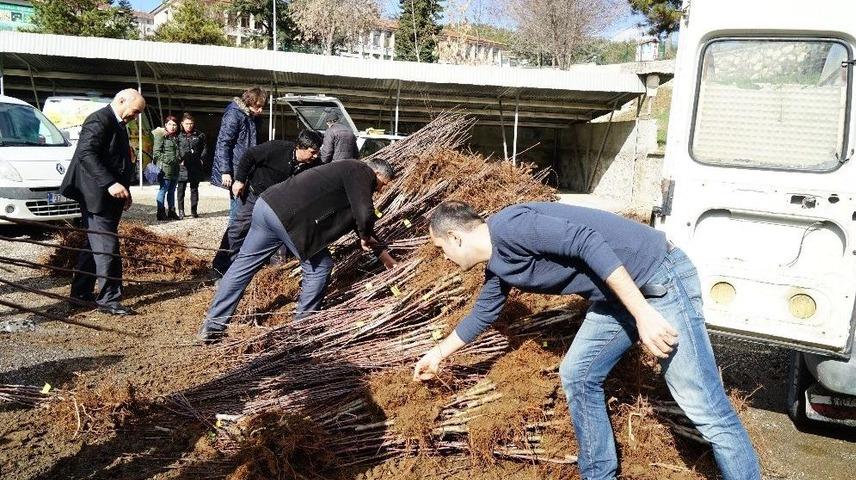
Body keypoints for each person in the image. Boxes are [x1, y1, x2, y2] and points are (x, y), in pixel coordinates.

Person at [413, 201, 761, 480]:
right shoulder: (499, 263)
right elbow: (483, 313)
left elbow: (586, 241)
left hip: (657, 277)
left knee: (700, 400)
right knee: (578, 374)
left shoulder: (513, 227)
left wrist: (642, 314)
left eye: (442, 248)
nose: (445, 257)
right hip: (617, 295)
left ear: (457, 237)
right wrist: (437, 354)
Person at [198, 158, 398, 344]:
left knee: (243, 265)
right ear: (378, 174)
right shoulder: (362, 171)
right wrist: (364, 235)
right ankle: (300, 331)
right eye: (384, 184)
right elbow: (364, 213)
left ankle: (213, 326)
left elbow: (357, 219)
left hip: (267, 206)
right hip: (289, 218)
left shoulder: (346, 171)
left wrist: (384, 256)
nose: (381, 190)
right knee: (320, 268)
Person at [59, 89, 146, 316]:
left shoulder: (117, 123)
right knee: (107, 247)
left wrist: (125, 192)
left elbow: (117, 160)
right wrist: (110, 183)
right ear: (121, 100)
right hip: (96, 195)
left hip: (110, 196)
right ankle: (109, 299)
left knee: (93, 245)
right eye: (135, 111)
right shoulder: (99, 119)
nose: (135, 117)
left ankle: (80, 295)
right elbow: (86, 153)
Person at [211, 130, 324, 274]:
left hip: (281, 204)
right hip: (257, 195)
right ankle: (220, 267)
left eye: (317, 152)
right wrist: (239, 180)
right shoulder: (276, 148)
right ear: (299, 147)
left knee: (280, 234)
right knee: (239, 230)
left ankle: (273, 272)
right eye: (312, 152)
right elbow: (249, 155)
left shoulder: (314, 164)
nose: (315, 156)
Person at [211, 87, 267, 220]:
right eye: (258, 106)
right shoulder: (234, 115)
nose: (260, 110)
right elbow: (223, 143)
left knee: (246, 209)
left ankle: (239, 237)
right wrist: (225, 170)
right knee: (238, 210)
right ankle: (232, 239)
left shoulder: (251, 117)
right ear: (249, 101)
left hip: (247, 167)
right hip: (237, 168)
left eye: (262, 107)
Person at [176, 112, 207, 219]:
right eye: (187, 123)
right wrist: (179, 159)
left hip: (195, 165)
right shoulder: (178, 136)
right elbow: (175, 149)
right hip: (182, 166)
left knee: (194, 189)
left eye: (191, 123)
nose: (189, 126)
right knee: (181, 189)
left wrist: (202, 159)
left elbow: (204, 148)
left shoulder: (199, 135)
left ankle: (194, 211)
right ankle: (181, 211)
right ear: (182, 124)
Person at [153, 115, 181, 221]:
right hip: (165, 169)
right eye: (170, 124)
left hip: (175, 169)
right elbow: (156, 153)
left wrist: (178, 159)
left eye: (174, 125)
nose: (172, 127)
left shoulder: (173, 137)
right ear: (165, 125)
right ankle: (160, 212)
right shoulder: (161, 135)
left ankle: (171, 211)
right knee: (163, 189)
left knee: (172, 190)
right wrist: (170, 160)